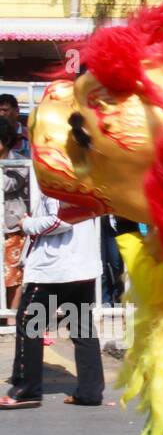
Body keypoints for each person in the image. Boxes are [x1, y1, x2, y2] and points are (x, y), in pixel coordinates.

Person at [1, 168, 104, 410]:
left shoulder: (62, 178)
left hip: (56, 268)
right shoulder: (87, 175)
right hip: (80, 267)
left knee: (29, 325)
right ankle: (90, 391)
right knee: (82, 329)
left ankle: (26, 390)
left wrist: (28, 224)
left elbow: (62, 220)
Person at [2, 120, 30, 312]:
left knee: (13, 277)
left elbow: (6, 185)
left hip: (11, 229)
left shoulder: (19, 162)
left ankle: (12, 319)